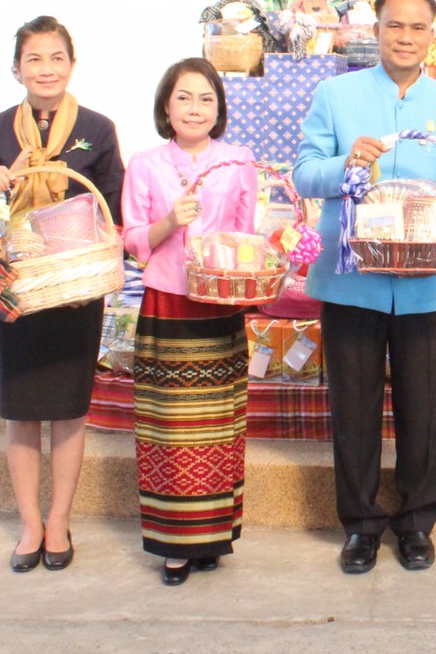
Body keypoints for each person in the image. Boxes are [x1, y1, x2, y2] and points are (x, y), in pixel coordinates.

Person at [293, 0, 436, 575]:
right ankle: (362, 526)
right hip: (353, 284)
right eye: (394, 26)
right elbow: (303, 174)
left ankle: (418, 523)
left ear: (433, 35)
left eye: (417, 27)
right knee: (353, 408)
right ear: (375, 31)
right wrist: (345, 163)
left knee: (427, 413)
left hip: (427, 288)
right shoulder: (335, 95)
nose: (405, 37)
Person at [0, 15, 125, 573]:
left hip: (74, 289)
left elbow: (115, 209)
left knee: (70, 411)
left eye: (56, 58)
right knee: (22, 412)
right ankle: (30, 523)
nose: (46, 69)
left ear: (72, 65)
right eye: (34, 58)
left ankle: (59, 520)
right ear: (16, 69)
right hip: (15, 289)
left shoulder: (96, 129)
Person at [120, 58, 257, 586]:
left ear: (219, 108)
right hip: (167, 303)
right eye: (184, 97)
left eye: (205, 98)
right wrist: (165, 224)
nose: (195, 108)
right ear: (166, 106)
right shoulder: (146, 163)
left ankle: (212, 536)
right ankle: (174, 544)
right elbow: (130, 239)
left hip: (219, 302)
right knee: (169, 428)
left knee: (220, 422)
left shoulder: (238, 160)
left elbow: (246, 233)